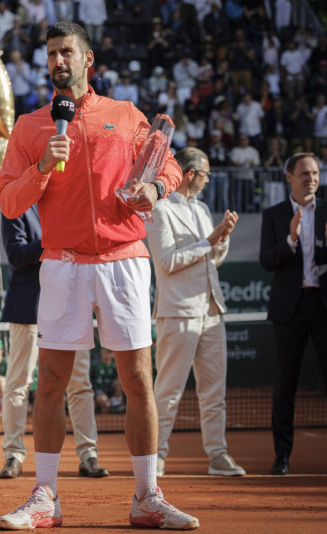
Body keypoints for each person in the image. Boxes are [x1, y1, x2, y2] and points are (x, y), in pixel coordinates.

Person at [0, 21, 197, 530]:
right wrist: (42, 167)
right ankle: (45, 497)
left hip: (124, 259)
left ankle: (147, 496)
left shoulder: (125, 115)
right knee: (50, 382)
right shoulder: (30, 127)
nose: (57, 61)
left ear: (88, 60)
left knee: (137, 380)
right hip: (61, 263)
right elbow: (10, 201)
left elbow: (168, 165)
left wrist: (156, 190)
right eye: (50, 53)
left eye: (66, 52)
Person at [145, 147, 245, 478]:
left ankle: (217, 454)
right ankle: (156, 455)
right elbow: (166, 262)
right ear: (190, 174)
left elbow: (212, 259)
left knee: (214, 392)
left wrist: (221, 239)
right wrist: (208, 241)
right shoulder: (160, 208)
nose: (207, 180)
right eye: (205, 175)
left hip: (211, 310)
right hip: (178, 311)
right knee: (168, 391)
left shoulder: (202, 209)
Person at [0, 205, 109, 480]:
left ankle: (88, 454)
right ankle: (13, 454)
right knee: (18, 383)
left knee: (80, 383)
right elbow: (16, 254)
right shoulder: (16, 206)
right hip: (29, 308)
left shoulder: (70, 201)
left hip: (71, 305)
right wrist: (56, 240)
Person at [259, 152, 327, 476]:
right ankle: (281, 457)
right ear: (289, 177)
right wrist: (291, 239)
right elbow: (267, 261)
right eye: (304, 174)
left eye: (315, 173)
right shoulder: (273, 215)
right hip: (290, 309)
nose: (311, 179)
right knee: (285, 385)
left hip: (324, 307)